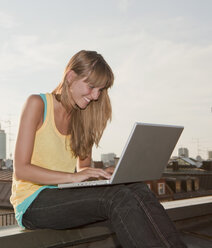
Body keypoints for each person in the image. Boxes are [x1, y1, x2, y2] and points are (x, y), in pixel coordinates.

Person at [10, 50, 186, 247]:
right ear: (70, 77)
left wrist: (101, 174)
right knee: (117, 199)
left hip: (63, 193)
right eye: (91, 86)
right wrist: (72, 177)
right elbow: (22, 169)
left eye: (100, 90)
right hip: (33, 202)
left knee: (137, 188)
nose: (95, 96)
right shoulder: (37, 104)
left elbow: (82, 168)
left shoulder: (83, 117)